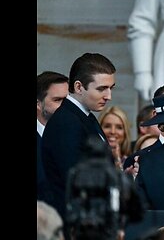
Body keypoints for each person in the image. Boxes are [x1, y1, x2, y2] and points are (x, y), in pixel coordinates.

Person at [41, 52, 116, 220]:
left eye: (111, 88)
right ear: (78, 87)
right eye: (101, 89)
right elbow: (75, 182)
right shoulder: (66, 122)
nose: (108, 96)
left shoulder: (84, 116)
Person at [37, 71, 69, 201]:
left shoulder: (77, 136)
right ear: (38, 104)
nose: (65, 106)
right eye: (57, 100)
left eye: (67, 100)